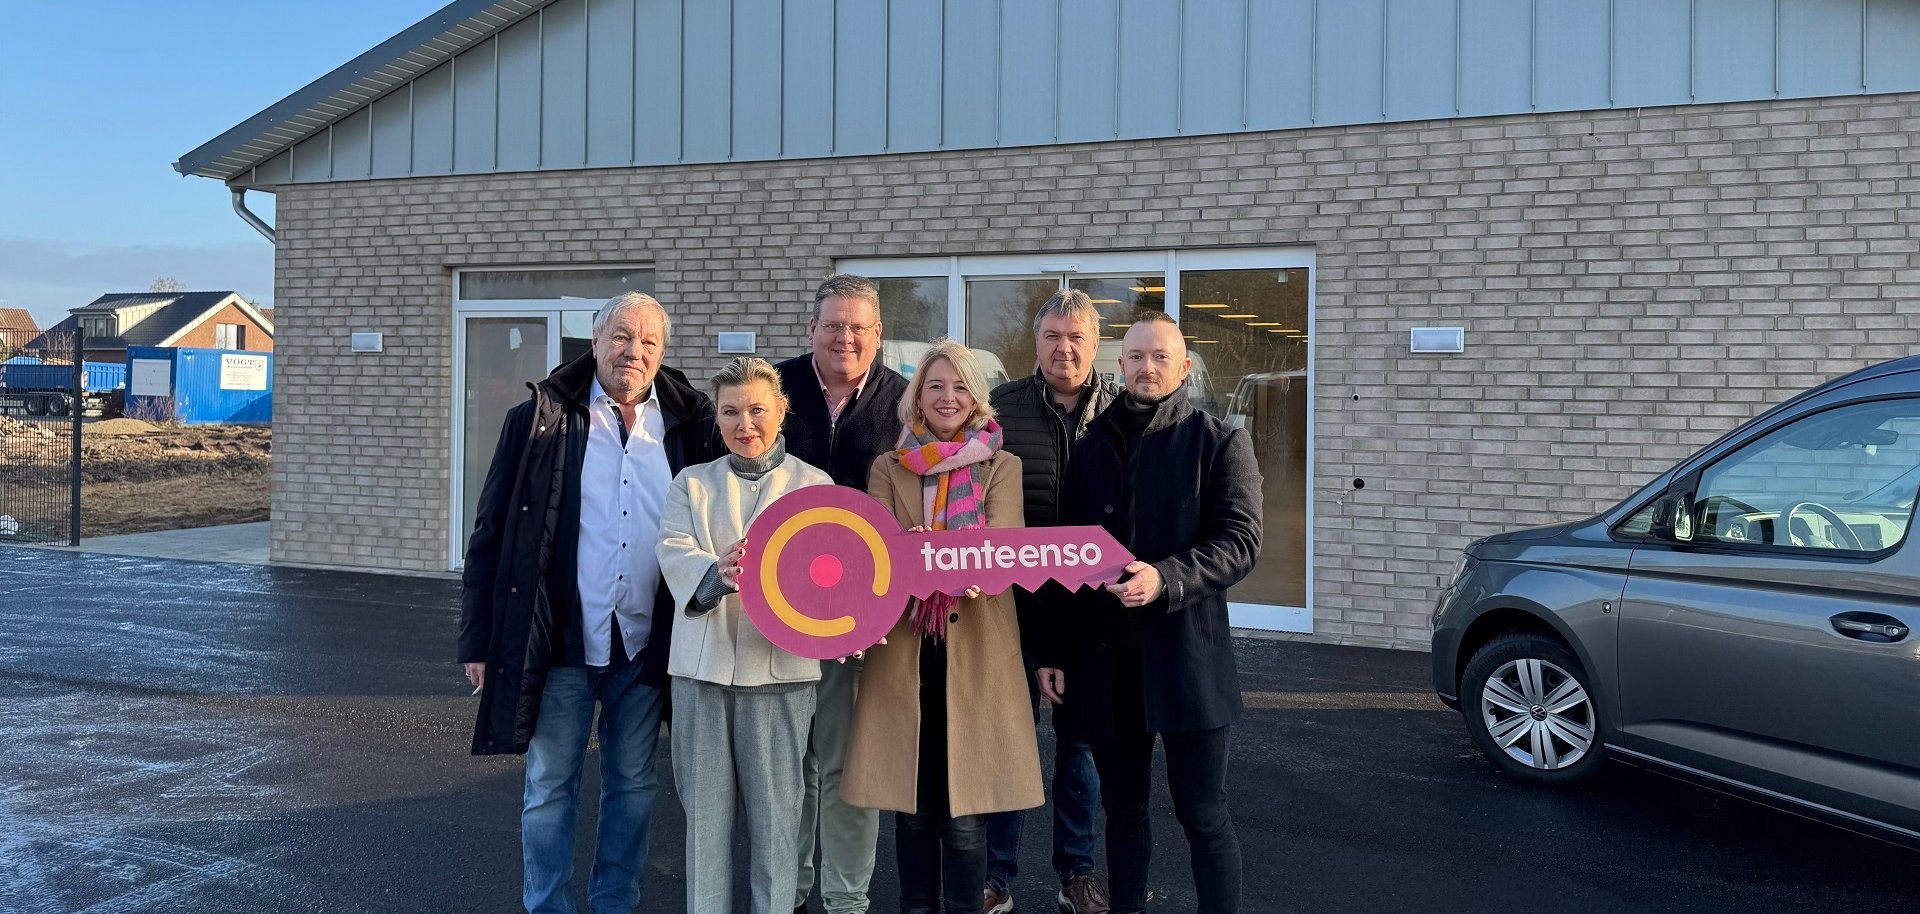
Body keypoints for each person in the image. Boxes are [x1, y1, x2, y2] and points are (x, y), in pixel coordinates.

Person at [458, 291, 718, 914]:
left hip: (644, 643)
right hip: (562, 642)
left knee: (633, 786)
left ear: (662, 352)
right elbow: (491, 532)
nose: (634, 351)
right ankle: (547, 905)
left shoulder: (690, 425)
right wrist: (478, 640)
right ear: (595, 340)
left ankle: (613, 904)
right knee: (551, 785)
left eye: (649, 341)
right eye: (622, 336)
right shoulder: (540, 419)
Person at [1035, 312, 1262, 914]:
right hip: (1108, 666)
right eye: (1136, 356)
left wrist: (1166, 578)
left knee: (1203, 813)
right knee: (1124, 811)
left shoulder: (1219, 441)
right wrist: (1055, 653)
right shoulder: (1090, 448)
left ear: (1184, 366)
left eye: (1161, 356)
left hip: (1188, 660)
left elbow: (1241, 542)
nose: (1148, 367)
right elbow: (1067, 560)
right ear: (1120, 366)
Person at [842, 340, 1043, 914]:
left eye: (959, 386)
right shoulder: (887, 466)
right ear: (918, 397)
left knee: (963, 820)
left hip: (975, 657)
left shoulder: (1001, 465)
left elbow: (998, 554)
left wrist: (930, 554)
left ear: (976, 397)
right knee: (911, 812)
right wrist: (947, 556)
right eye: (935, 386)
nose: (947, 397)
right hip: (906, 653)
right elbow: (881, 555)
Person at [657, 356, 833, 914]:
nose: (745, 423)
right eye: (730, 411)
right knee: (704, 826)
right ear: (717, 418)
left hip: (780, 677)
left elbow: (833, 575)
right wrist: (717, 575)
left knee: (779, 827)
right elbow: (673, 550)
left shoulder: (815, 485)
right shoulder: (692, 484)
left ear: (782, 410)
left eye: (757, 409)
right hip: (700, 677)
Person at [983, 289, 1121, 914]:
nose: (1063, 348)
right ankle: (995, 878)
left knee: (1081, 749)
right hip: (1014, 610)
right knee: (1010, 743)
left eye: (1076, 338)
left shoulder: (1123, 412)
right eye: (1051, 337)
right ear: (1035, 343)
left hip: (1093, 613)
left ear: (1095, 345)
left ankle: (1078, 876)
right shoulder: (1002, 410)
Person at [776, 273, 909, 914]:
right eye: (833, 325)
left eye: (858, 327)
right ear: (811, 331)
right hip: (775, 611)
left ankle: (846, 897)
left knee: (847, 765)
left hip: (864, 616)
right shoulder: (774, 391)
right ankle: (790, 889)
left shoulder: (904, 404)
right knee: (790, 765)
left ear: (878, 335)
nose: (845, 337)